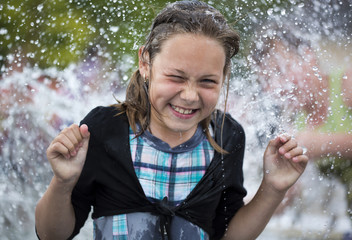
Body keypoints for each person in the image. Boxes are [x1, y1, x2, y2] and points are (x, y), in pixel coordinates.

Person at [35, 1, 308, 239]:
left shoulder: (227, 136)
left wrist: (272, 188)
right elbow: (52, 235)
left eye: (208, 81)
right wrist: (62, 182)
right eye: (176, 77)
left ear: (224, 76)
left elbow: (229, 235)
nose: (189, 96)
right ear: (145, 63)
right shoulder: (104, 129)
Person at [250, 20, 352, 226]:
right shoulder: (293, 125)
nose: (275, 88)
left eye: (280, 70)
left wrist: (323, 143)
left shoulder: (346, 85)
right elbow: (282, 201)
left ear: (308, 56)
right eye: (266, 81)